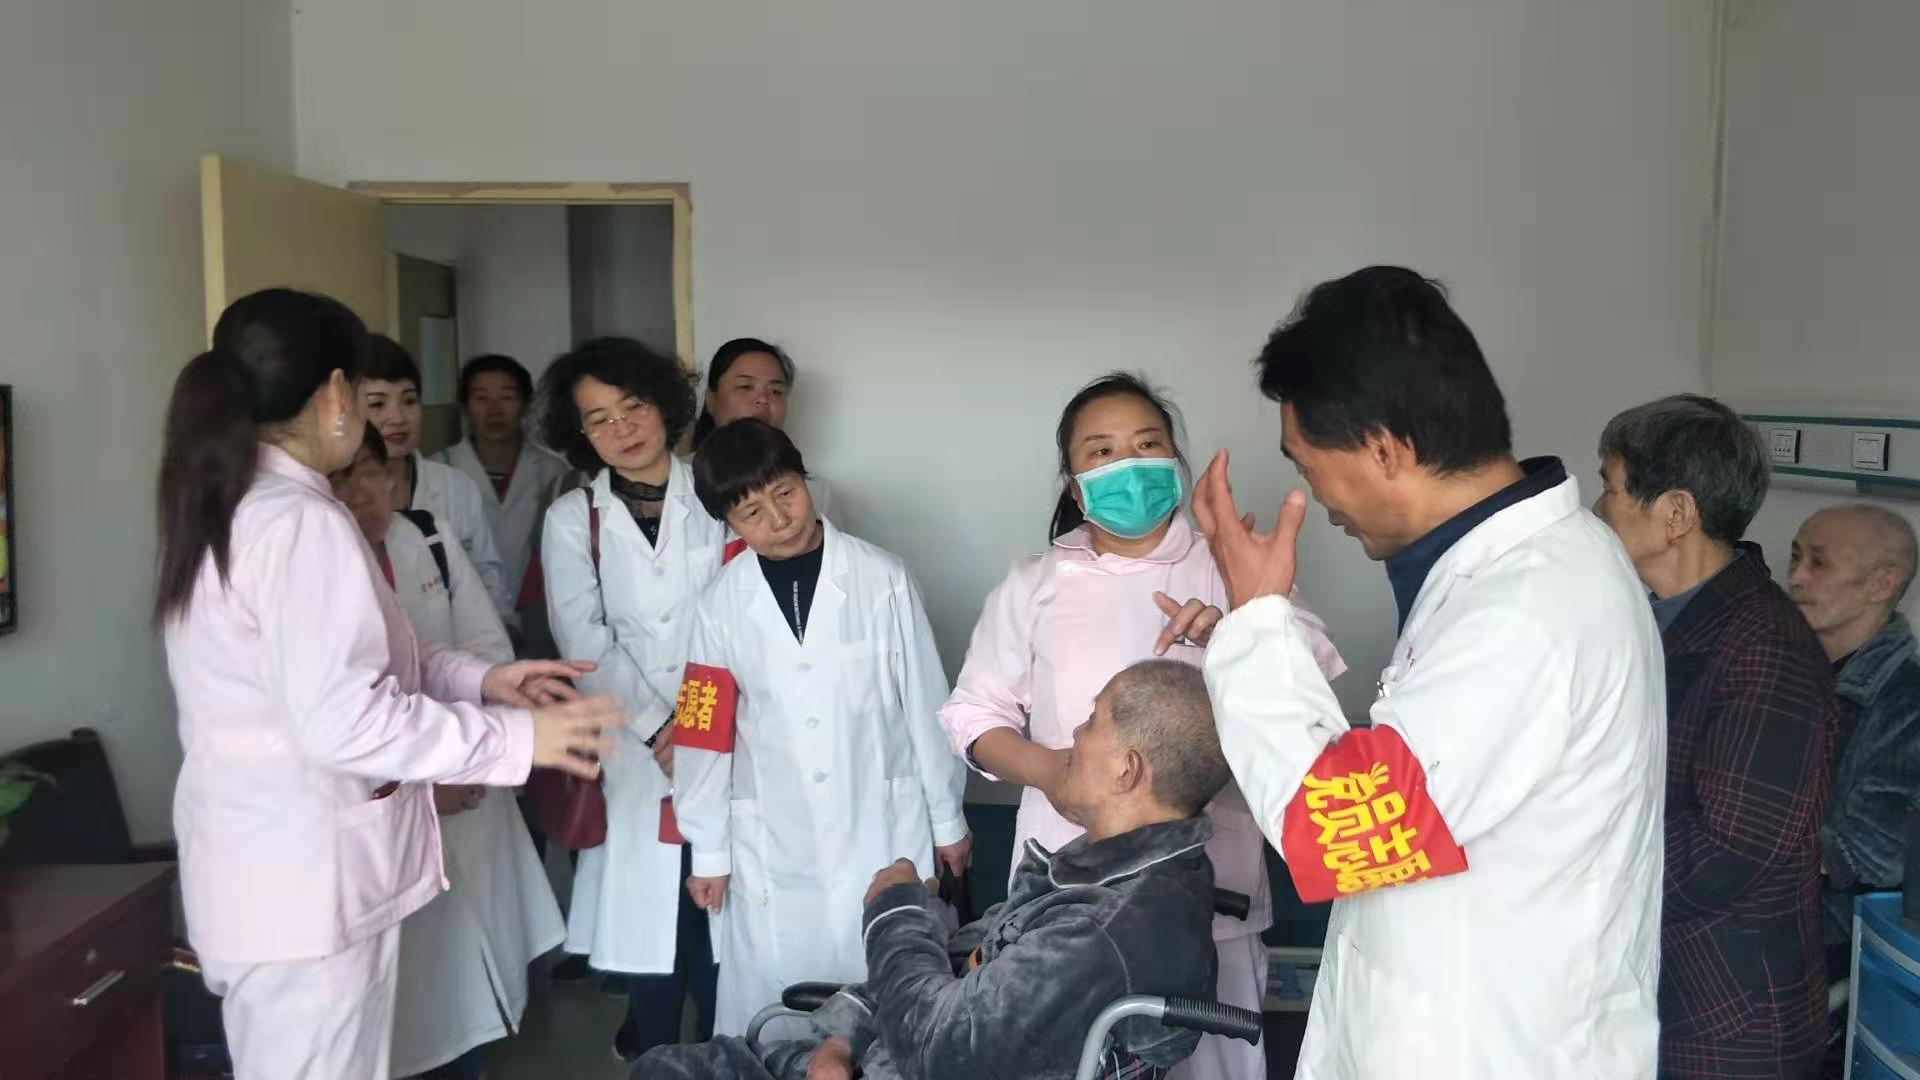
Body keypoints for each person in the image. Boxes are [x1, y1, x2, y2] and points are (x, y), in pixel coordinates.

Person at [1180, 266, 1666, 1077]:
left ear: (1384, 447)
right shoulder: (1512, 571)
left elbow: (1338, 832)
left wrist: (1256, 620)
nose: (1315, 495)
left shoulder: (1530, 609)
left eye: (1306, 464)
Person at [157, 288, 618, 1080]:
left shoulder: (245, 502)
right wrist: (518, 739)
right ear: (337, 392)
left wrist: (486, 679)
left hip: (278, 877)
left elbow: (372, 656)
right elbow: (344, 718)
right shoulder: (298, 521)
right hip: (307, 889)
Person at [940, 372, 1344, 1080]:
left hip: (1212, 884)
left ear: (1175, 462)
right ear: (1074, 486)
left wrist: (1235, 632)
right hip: (1065, 895)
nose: (1127, 463)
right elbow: (973, 714)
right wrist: (1054, 774)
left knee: (1213, 1057)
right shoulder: (1034, 583)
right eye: (1101, 451)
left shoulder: (1227, 567)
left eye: (1147, 444)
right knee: (1073, 1061)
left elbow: (1312, 680)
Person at [638, 659, 1228, 1080]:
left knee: (665, 1070)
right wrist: (845, 1035)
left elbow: (941, 1052)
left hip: (911, 1060)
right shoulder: (1127, 876)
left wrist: (893, 910)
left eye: (1092, 721)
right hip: (878, 1050)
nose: (1073, 733)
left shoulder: (1101, 929)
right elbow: (973, 956)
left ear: (1127, 770)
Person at [671, 418, 969, 1036]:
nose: (779, 519)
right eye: (752, 512)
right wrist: (709, 850)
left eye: (786, 493)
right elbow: (702, 734)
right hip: (773, 838)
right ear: (728, 523)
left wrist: (948, 820)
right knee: (777, 1018)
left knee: (890, 1002)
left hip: (879, 823)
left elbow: (926, 702)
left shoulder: (882, 577)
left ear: (805, 481)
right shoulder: (718, 604)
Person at [1594, 394, 1834, 1078]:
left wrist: (1574, 874)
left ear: (1676, 514)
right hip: (1659, 984)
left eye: (1611, 489)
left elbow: (1728, 850)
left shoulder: (1766, 650)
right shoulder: (1656, 615)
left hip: (1727, 1020)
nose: (1597, 510)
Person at [331, 424, 566, 1080]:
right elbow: (348, 718)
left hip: (470, 789)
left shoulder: (425, 538)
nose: (361, 493)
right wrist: (431, 784)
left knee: (473, 984)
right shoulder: (319, 571)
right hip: (391, 813)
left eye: (371, 473)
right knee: (414, 1007)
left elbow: (479, 650)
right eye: (342, 479)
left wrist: (483, 751)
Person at [538, 337, 730, 1061]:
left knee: (721, 908)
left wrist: (696, 728)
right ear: (579, 433)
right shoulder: (572, 519)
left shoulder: (715, 493)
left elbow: (736, 615)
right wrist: (660, 730)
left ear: (665, 405)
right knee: (651, 923)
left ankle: (723, 1056)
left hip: (727, 731)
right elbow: (584, 640)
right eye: (599, 419)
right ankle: (657, 1059)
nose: (622, 429)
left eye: (634, 406)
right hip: (632, 745)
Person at [1789, 506, 1920, 974]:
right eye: (1796, 556)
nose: (1797, 577)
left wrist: (1751, 832)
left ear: (1882, 584)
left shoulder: (1906, 702)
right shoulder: (1784, 666)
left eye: (1819, 562)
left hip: (1827, 943)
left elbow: (1875, 855)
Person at [362, 334, 512, 619]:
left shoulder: (456, 486)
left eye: (409, 401)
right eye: (377, 404)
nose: (398, 417)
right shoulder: (339, 495)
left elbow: (489, 578)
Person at [434, 354, 573, 638]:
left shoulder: (554, 470)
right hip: (461, 621)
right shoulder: (440, 469)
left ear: (525, 404)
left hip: (540, 617)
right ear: (465, 406)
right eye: (481, 398)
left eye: (507, 397)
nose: (494, 410)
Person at [689, 337, 836, 522]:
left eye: (776, 391)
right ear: (711, 400)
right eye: (745, 387)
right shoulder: (675, 481)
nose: (764, 399)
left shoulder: (816, 491)